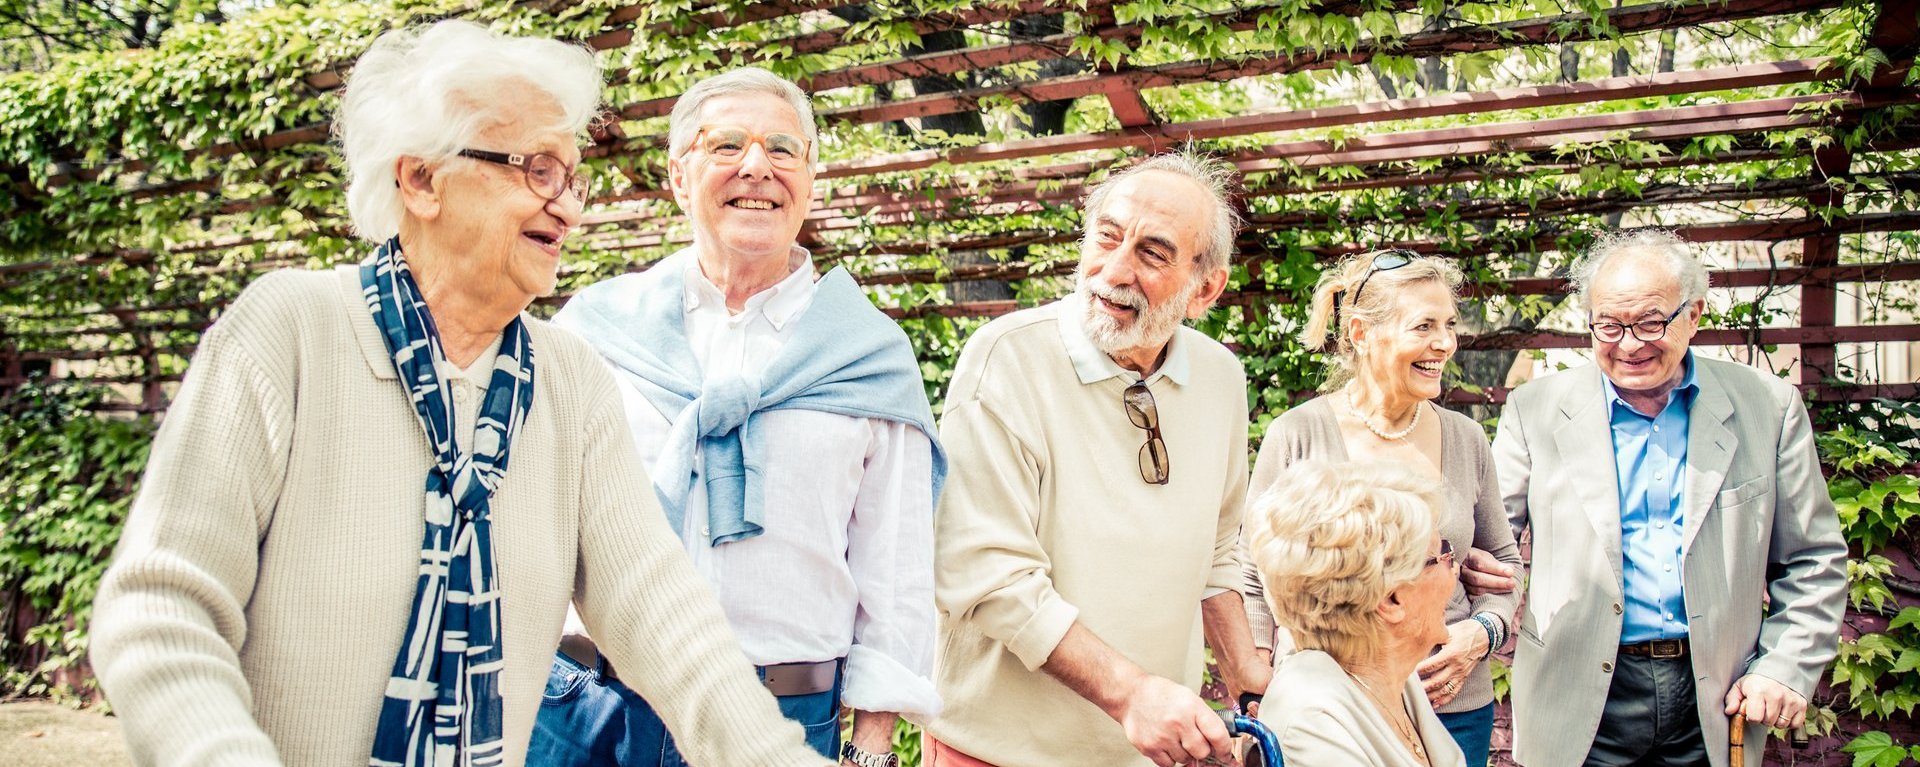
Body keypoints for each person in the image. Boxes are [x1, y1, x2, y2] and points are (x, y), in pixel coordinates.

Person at [87, 21, 830, 767]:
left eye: (571, 178)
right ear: (420, 180)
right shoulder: (289, 331)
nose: (569, 208)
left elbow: (668, 619)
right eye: (537, 169)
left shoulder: (569, 380)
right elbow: (162, 609)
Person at [529, 67, 943, 767]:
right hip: (586, 708)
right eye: (726, 145)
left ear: (810, 178)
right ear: (679, 176)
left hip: (779, 719)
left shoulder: (869, 356)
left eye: (783, 150)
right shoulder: (592, 334)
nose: (758, 166)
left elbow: (895, 572)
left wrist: (870, 749)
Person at [921, 151, 1270, 767]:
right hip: (1000, 753)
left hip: (1149, 752)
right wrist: (1131, 694)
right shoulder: (1007, 357)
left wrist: (1248, 673)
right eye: (1106, 238)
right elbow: (988, 574)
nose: (1114, 270)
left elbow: (1216, 549)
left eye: (1152, 254)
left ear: (1205, 289)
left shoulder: (1221, 377)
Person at [1488, 229, 1848, 767]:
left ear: (1694, 314)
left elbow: (1813, 559)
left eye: (1651, 323)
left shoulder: (1768, 407)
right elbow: (1492, 547)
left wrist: (1784, 666)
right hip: (1576, 693)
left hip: (1715, 697)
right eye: (1608, 325)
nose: (1629, 344)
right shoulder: (1533, 409)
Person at [1240, 250, 1521, 766]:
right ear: (1362, 333)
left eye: (1449, 325)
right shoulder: (1298, 434)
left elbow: (1505, 566)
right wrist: (1254, 685)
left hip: (1453, 699)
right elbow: (1252, 572)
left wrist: (1481, 634)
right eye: (1424, 326)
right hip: (1336, 706)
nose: (1445, 343)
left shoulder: (1465, 438)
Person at [1247, 460, 1469, 767]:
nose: (1454, 571)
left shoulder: (1391, 678)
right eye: (1443, 555)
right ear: (1392, 600)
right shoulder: (1312, 721)